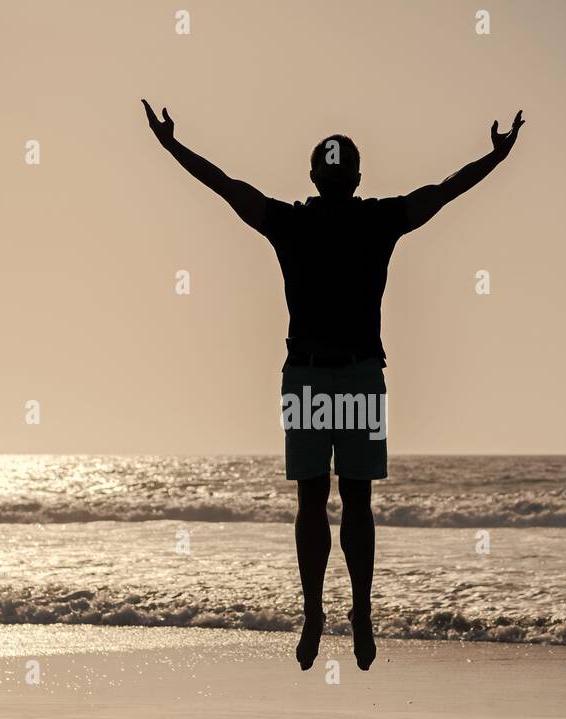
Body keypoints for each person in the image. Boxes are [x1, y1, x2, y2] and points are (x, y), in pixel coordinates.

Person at [142, 99, 525, 671]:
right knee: (357, 502)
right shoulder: (377, 219)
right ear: (355, 178)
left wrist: (171, 145)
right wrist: (495, 156)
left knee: (312, 501)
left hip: (309, 376)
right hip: (360, 375)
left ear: (316, 178)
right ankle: (357, 613)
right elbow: (443, 192)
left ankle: (318, 612)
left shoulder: (290, 222)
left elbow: (225, 185)